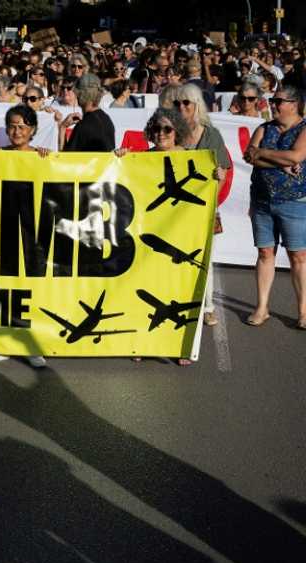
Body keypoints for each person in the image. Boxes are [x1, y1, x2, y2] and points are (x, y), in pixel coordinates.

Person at [117, 108, 196, 365]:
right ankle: (142, 342)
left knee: (180, 287)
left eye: (167, 129)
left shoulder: (193, 158)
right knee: (145, 282)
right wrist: (120, 158)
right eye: (156, 129)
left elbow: (206, 189)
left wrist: (215, 175)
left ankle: (181, 346)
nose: (161, 134)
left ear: (177, 132)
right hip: (149, 231)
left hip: (180, 233)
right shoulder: (144, 158)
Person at [0, 105, 51, 369]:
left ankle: (29, 345)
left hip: (32, 234)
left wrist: (49, 160)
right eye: (12, 126)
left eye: (23, 126)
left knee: (29, 288)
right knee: (2, 287)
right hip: (1, 230)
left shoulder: (42, 156)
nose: (17, 131)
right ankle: (0, 344)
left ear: (32, 130)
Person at [243, 85, 306, 330]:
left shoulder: (303, 128)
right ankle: (262, 307)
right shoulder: (264, 127)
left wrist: (262, 153)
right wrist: (281, 164)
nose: (273, 104)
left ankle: (303, 311)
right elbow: (249, 156)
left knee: (298, 256)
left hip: (294, 201)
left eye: (279, 101)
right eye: (273, 100)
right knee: (264, 253)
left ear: (294, 104)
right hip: (262, 201)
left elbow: (296, 156)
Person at [172, 82, 231, 326]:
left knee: (203, 259)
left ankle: (207, 307)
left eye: (186, 102)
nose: (181, 107)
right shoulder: (170, 130)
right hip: (174, 210)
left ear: (197, 105)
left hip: (203, 208)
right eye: (177, 103)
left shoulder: (211, 134)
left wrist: (218, 180)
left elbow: (223, 170)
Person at [59, 74, 114, 152]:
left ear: (81, 94)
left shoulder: (83, 126)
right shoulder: (106, 119)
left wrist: (62, 127)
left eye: (77, 92)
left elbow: (65, 158)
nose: (76, 95)